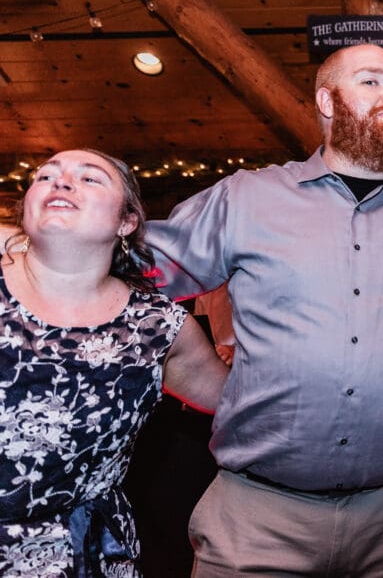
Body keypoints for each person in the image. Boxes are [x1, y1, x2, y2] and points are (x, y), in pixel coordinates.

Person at [144, 43, 383, 577]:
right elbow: (134, 277)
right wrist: (191, 362)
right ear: (326, 100)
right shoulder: (248, 198)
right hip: (261, 520)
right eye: (371, 81)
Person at [0, 149, 228, 577]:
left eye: (89, 179)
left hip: (85, 558)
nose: (61, 182)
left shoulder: (157, 327)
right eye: (45, 176)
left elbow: (243, 404)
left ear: (127, 222)